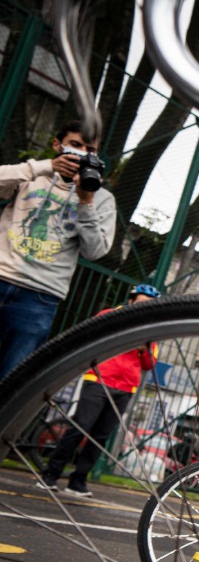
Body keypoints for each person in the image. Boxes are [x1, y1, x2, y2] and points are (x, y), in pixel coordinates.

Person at [1, 121, 116, 379]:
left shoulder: (103, 199)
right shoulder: (31, 177)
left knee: (10, 380)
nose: (82, 154)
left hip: (40, 296)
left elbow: (95, 251)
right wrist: (44, 166)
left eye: (90, 150)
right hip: (2, 273)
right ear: (57, 144)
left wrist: (86, 203)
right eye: (75, 145)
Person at [38, 283, 158, 497]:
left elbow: (150, 364)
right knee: (80, 426)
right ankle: (51, 474)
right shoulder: (109, 315)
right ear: (130, 301)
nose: (143, 309)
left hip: (126, 386)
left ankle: (78, 481)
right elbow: (91, 339)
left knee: (101, 436)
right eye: (140, 303)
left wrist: (144, 350)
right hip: (100, 378)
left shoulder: (151, 329)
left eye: (148, 306)